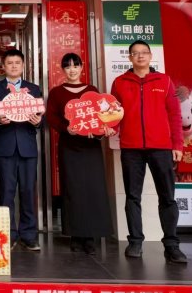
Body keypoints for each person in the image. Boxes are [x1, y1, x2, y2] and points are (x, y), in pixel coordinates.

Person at [111, 40, 188, 264]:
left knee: (167, 197)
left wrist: (177, 145)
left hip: (161, 147)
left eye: (144, 52)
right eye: (135, 53)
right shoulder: (120, 82)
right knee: (132, 197)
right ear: (129, 58)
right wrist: (108, 128)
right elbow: (114, 113)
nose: (140, 56)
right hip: (131, 148)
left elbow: (174, 114)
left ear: (150, 56)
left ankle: (172, 245)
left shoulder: (164, 81)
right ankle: (135, 241)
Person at [46, 53, 114, 255]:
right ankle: (75, 235)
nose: (72, 70)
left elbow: (103, 115)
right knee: (73, 190)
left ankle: (90, 236)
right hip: (69, 146)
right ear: (63, 70)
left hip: (90, 147)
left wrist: (103, 130)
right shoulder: (57, 92)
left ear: (82, 67)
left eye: (76, 65)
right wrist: (66, 129)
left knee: (93, 189)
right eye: (68, 66)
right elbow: (52, 117)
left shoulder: (92, 90)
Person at [0, 48, 42, 251]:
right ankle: (7, 234)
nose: (13, 66)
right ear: (3, 66)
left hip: (28, 147)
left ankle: (29, 235)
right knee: (6, 192)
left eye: (17, 63)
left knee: (28, 191)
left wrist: (38, 122)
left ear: (23, 65)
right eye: (9, 63)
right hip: (6, 146)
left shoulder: (33, 89)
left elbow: (41, 116)